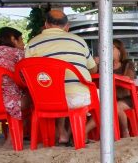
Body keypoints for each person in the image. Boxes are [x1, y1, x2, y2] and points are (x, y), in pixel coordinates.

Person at [25, 9, 98, 145]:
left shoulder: (33, 43)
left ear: (46, 25)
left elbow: (27, 72)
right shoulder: (79, 41)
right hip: (77, 98)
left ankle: (63, 132)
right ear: (67, 26)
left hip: (45, 99)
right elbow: (93, 69)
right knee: (106, 101)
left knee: (57, 87)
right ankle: (79, 132)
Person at [0, 26, 27, 120]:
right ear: (13, 39)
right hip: (10, 103)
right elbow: (26, 78)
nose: (23, 44)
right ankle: (21, 132)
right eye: (21, 40)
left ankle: (12, 131)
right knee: (34, 96)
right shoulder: (18, 53)